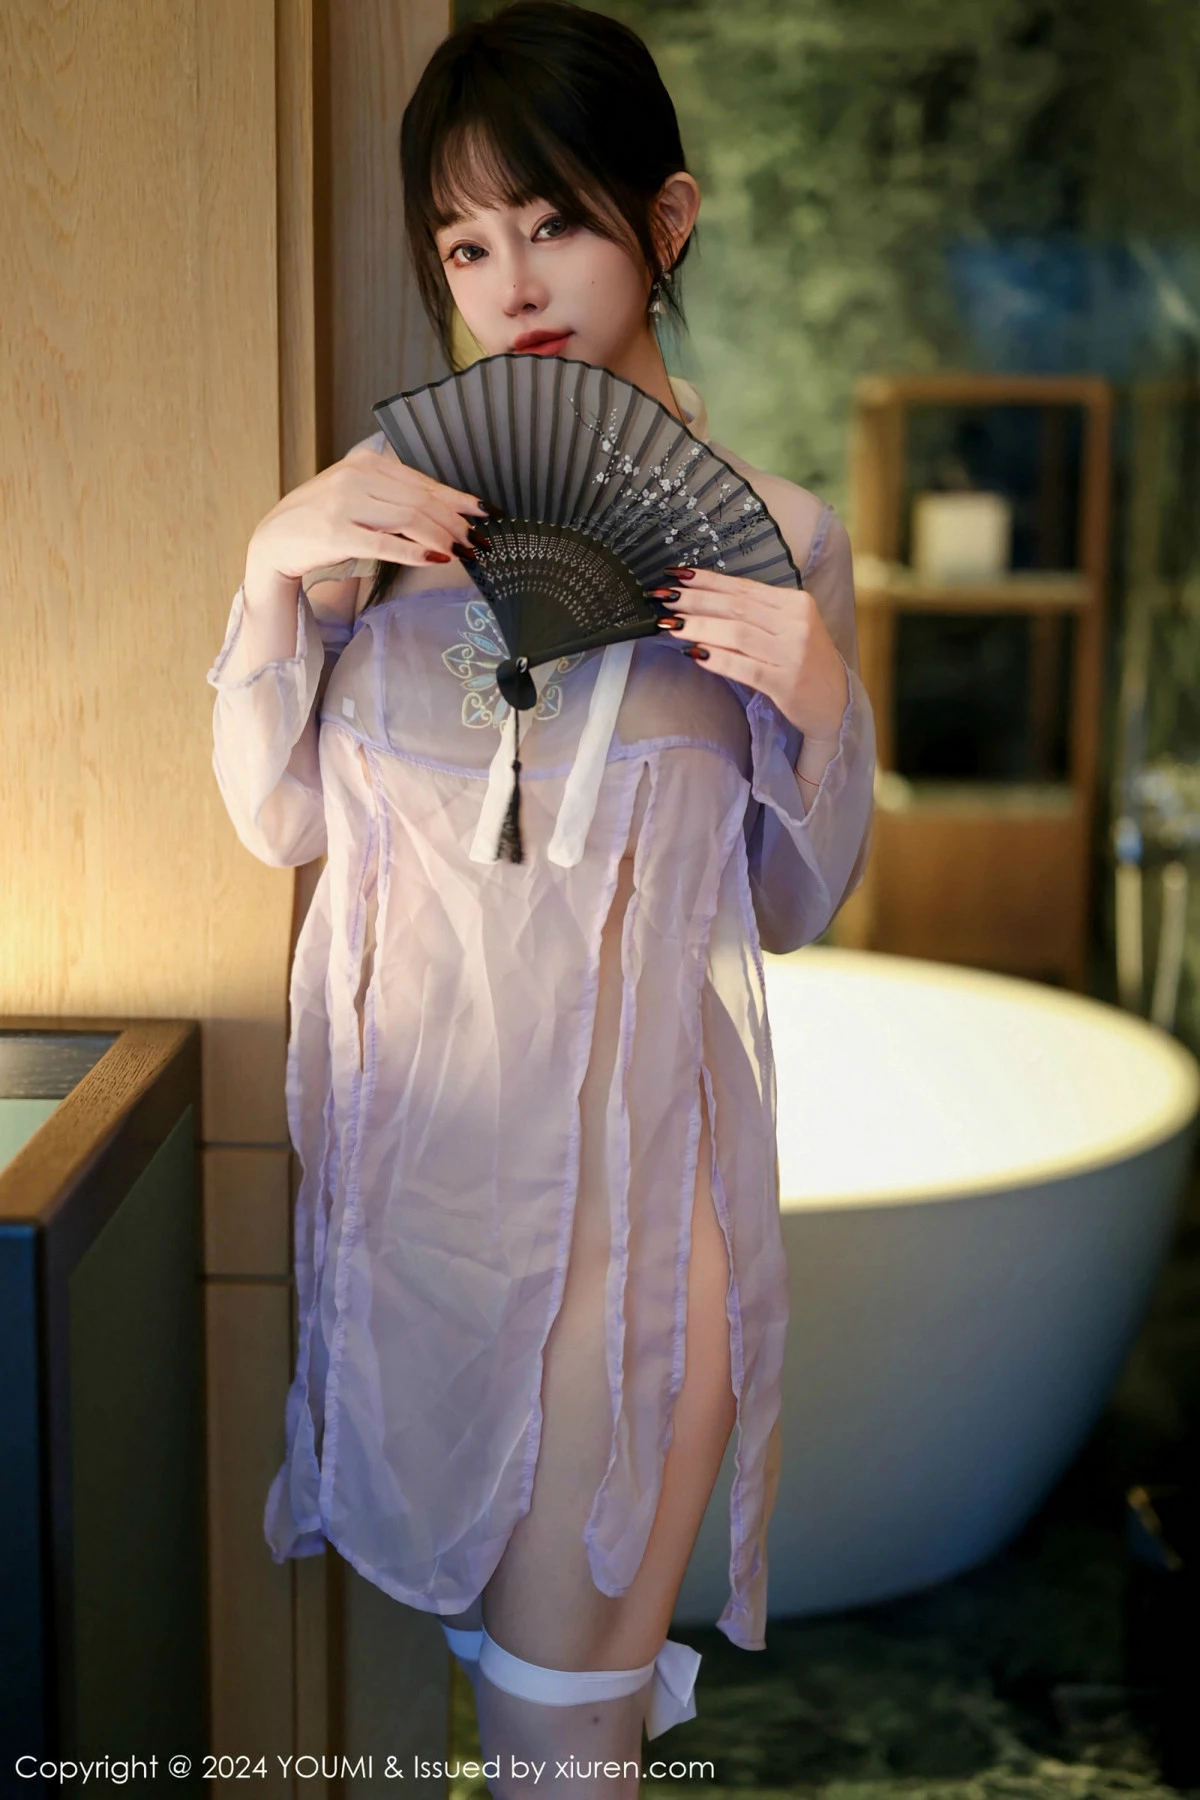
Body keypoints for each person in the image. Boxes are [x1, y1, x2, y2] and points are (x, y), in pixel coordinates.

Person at [205, 1, 876, 1791]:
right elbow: (276, 819)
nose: (511, 283)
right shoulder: (380, 536)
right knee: (512, 1727)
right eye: (466, 244)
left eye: (556, 222)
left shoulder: (784, 540)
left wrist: (819, 703)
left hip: (629, 1231)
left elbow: (791, 905)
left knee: (557, 1747)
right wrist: (275, 572)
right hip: (409, 1219)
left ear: (665, 220)